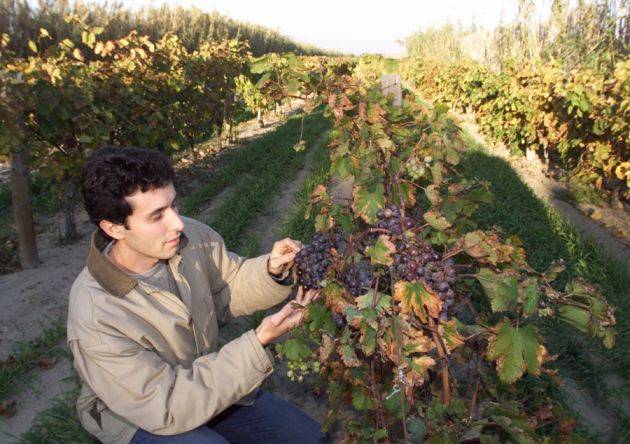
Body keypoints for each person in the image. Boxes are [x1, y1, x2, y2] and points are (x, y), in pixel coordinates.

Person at [67, 146, 327, 443]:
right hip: (142, 415)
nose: (177, 222)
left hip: (205, 378)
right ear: (114, 228)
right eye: (157, 216)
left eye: (173, 205)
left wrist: (270, 270)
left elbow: (229, 286)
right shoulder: (95, 312)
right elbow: (165, 405)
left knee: (307, 437)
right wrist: (258, 342)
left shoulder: (191, 237)